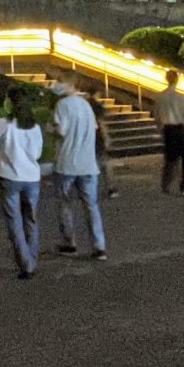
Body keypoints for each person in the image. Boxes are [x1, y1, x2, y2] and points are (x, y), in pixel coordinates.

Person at [0, 90, 45, 279]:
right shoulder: (34, 126)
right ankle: (32, 258)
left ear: (9, 103)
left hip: (9, 177)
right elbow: (38, 154)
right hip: (32, 177)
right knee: (31, 219)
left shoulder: (3, 124)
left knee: (14, 221)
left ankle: (26, 264)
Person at [48, 79, 106, 260]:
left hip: (67, 163)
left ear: (69, 85)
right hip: (88, 163)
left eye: (59, 82)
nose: (56, 85)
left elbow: (62, 130)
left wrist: (51, 128)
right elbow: (95, 128)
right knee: (91, 206)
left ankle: (69, 242)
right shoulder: (87, 106)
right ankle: (99, 246)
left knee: (65, 203)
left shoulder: (62, 105)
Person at [153, 75, 184, 195]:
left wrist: (160, 130)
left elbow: (157, 116)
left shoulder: (159, 97)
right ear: (177, 80)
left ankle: (166, 184)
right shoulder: (182, 98)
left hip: (168, 129)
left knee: (170, 159)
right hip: (182, 129)